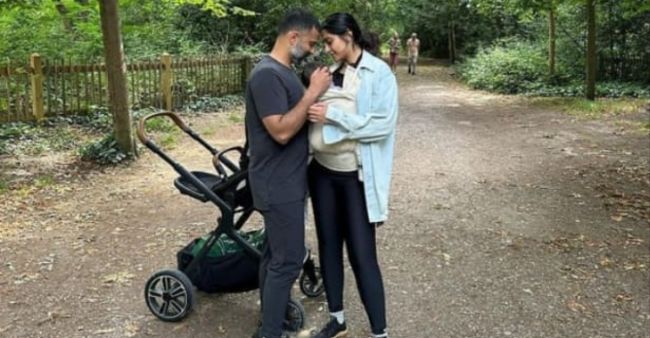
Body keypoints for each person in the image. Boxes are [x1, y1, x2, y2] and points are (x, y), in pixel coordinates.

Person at [306, 12, 399, 338]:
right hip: (321, 173)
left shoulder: (379, 74)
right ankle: (337, 319)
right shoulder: (329, 73)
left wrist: (334, 115)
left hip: (355, 177)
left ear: (348, 35)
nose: (327, 48)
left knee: (362, 254)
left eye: (330, 41)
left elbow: (382, 125)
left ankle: (379, 331)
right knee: (328, 245)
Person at [244, 9, 332, 338]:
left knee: (274, 255)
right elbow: (280, 131)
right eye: (310, 43)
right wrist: (312, 92)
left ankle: (271, 321)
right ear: (292, 37)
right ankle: (269, 332)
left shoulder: (284, 71)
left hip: (287, 182)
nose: (311, 49)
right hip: (277, 184)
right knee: (289, 260)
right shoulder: (266, 75)